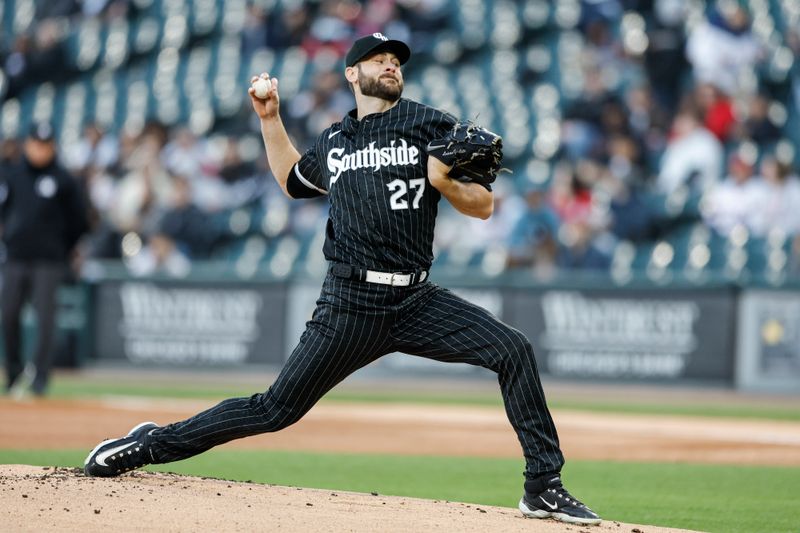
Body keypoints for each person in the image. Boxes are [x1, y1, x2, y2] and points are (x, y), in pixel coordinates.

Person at [83, 34, 601, 526]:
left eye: (395, 59)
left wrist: (445, 180)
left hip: (416, 298)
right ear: (352, 73)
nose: (391, 64)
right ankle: (152, 444)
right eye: (378, 59)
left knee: (512, 349)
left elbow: (484, 206)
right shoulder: (335, 139)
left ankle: (542, 484)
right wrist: (270, 117)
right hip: (350, 303)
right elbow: (292, 180)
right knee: (273, 410)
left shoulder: (428, 123)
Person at [0, 122, 89, 395]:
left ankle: (40, 378)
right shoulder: (13, 175)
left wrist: (65, 247)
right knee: (8, 313)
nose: (40, 150)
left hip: (49, 259)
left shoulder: (63, 179)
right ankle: (14, 372)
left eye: (46, 145)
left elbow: (79, 220)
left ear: (53, 147)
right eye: (37, 144)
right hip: (16, 256)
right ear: (28, 144)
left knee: (45, 319)